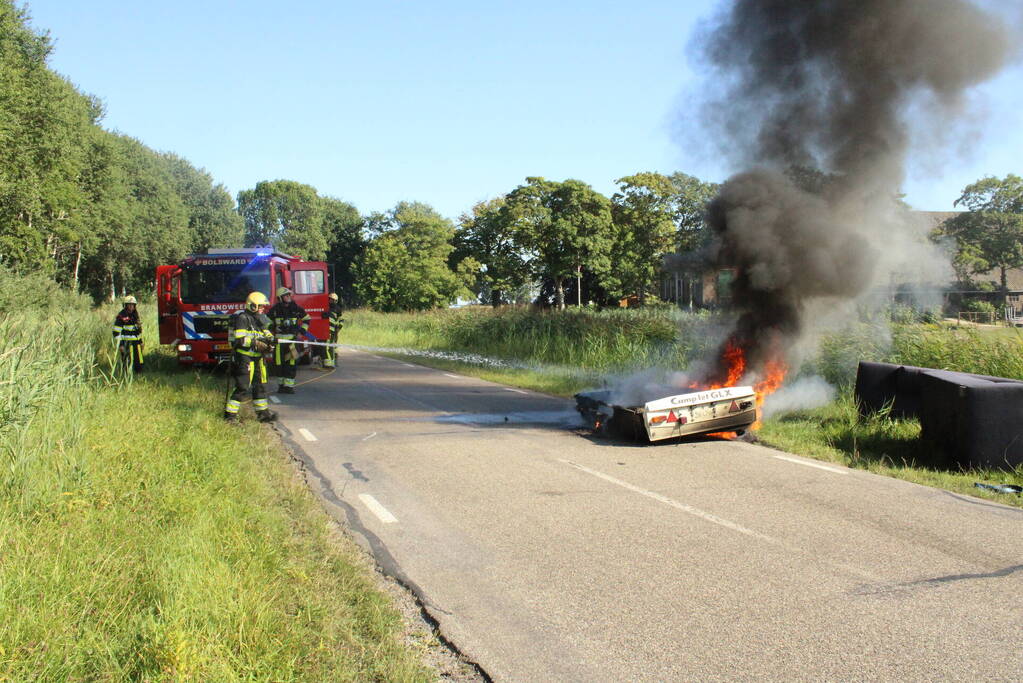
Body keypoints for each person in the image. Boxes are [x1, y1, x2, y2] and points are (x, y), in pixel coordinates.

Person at [224, 291, 277, 423]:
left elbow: (268, 335)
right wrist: (256, 343)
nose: (263, 309)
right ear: (252, 306)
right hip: (245, 358)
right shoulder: (243, 319)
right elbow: (240, 340)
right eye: (261, 306)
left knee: (260, 386)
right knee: (243, 386)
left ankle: (263, 414)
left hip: (258, 359)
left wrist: (271, 343)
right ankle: (230, 415)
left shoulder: (260, 319)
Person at [267, 286, 310, 394]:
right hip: (279, 343)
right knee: (278, 364)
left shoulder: (296, 308)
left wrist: (301, 332)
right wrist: (273, 328)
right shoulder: (274, 310)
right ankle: (281, 386)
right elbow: (266, 322)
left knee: (291, 364)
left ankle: (289, 386)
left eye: (289, 295)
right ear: (280, 298)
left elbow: (307, 319)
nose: (289, 297)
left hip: (292, 342)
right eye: (286, 295)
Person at [112, 295, 144, 374]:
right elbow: (116, 332)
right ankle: (126, 376)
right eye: (129, 305)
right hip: (126, 342)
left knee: (139, 359)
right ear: (125, 305)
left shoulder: (135, 315)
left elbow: (138, 331)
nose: (131, 306)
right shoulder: (121, 316)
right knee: (126, 360)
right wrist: (121, 345)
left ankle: (138, 373)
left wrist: (141, 342)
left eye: (133, 305)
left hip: (136, 342)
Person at [323, 292, 344, 368]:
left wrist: (338, 328)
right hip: (329, 330)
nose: (330, 301)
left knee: (332, 347)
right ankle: (331, 362)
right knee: (330, 346)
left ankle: (333, 362)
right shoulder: (327, 307)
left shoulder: (338, 309)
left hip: (334, 331)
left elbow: (341, 320)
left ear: (335, 301)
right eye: (329, 299)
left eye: (331, 300)